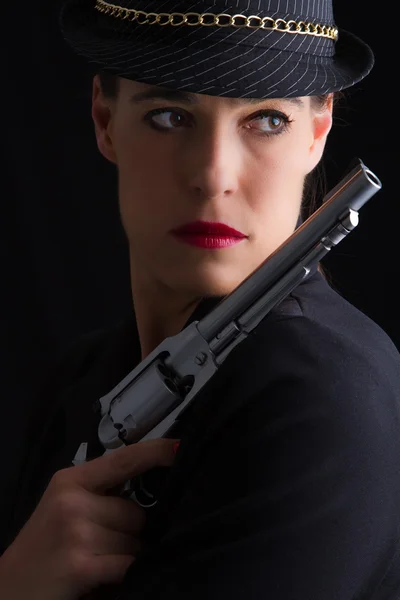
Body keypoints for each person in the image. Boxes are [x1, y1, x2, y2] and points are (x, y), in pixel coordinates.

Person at [1, 0, 400, 599]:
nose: (214, 175)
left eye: (266, 120)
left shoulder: (321, 397)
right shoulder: (75, 384)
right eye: (169, 116)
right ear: (105, 120)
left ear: (318, 133)